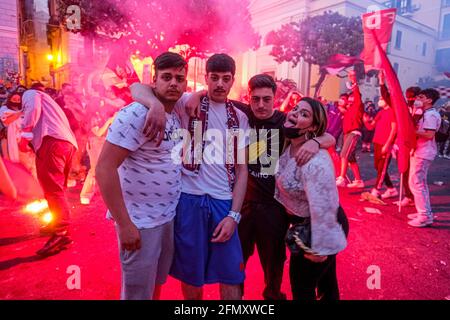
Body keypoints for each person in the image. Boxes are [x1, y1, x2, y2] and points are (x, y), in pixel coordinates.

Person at [131, 53, 249, 300]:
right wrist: (154, 105)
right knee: (191, 276)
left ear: (232, 81)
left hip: (223, 202)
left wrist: (234, 216)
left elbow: (242, 170)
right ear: (205, 78)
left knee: (231, 276)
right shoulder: (186, 103)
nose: (219, 84)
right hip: (189, 200)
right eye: (214, 78)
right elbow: (138, 88)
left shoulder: (241, 117)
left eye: (225, 79)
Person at [96, 52, 187, 300]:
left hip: (166, 219)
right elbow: (104, 169)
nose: (173, 84)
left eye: (179, 78)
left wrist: (157, 105)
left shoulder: (176, 112)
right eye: (166, 77)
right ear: (154, 80)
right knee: (137, 295)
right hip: (140, 222)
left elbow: (137, 87)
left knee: (155, 286)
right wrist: (125, 224)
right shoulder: (135, 114)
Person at [235, 74, 335, 300]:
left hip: (274, 207)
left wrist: (315, 141)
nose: (261, 105)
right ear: (248, 98)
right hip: (244, 203)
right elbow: (211, 96)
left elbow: (327, 135)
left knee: (273, 261)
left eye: (267, 99)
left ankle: (272, 296)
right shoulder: (242, 114)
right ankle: (236, 297)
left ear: (274, 98)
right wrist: (200, 93)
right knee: (237, 258)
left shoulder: (286, 121)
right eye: (256, 99)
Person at [275, 97, 348, 300]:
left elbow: (326, 204)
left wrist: (321, 245)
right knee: (326, 282)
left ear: (313, 127)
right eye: (295, 109)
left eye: (304, 114)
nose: (295, 114)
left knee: (302, 287)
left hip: (319, 225)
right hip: (303, 223)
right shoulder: (291, 142)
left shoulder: (315, 161)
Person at [21, 87, 78, 256]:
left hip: (52, 143)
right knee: (55, 188)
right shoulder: (49, 103)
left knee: (53, 188)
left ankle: (61, 232)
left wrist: (25, 134)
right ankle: (58, 225)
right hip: (63, 144)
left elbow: (32, 109)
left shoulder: (31, 94)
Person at [407, 89, 442, 227]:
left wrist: (411, 130)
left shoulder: (431, 115)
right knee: (419, 183)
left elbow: (429, 134)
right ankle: (424, 212)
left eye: (421, 97)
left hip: (424, 152)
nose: (418, 98)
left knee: (417, 183)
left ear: (429, 100)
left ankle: (424, 216)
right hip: (420, 151)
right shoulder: (425, 113)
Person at [363, 94, 398, 199]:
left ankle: (376, 190)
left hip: (385, 143)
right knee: (378, 167)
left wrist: (388, 144)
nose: (380, 100)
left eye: (382, 99)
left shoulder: (392, 112)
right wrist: (365, 121)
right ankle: (391, 189)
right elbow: (371, 126)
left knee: (382, 167)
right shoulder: (380, 112)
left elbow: (394, 129)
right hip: (377, 142)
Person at [336, 70, 365, 188]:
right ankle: (358, 180)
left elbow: (357, 93)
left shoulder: (358, 105)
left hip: (354, 132)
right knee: (350, 157)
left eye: (351, 99)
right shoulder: (348, 110)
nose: (349, 100)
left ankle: (342, 178)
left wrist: (354, 81)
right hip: (347, 133)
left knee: (344, 154)